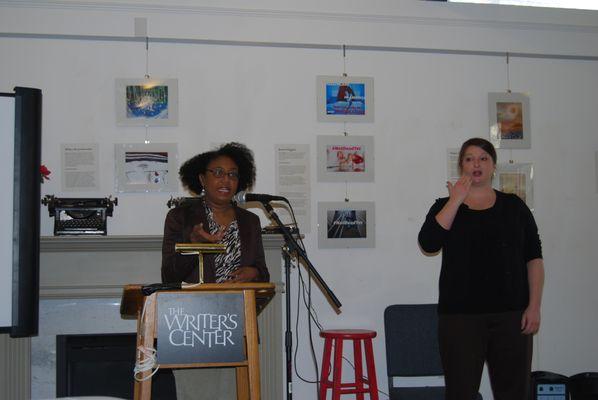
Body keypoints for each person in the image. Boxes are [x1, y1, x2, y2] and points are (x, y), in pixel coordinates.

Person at [418, 137, 544, 400]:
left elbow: (534, 258)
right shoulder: (444, 205)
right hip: (460, 318)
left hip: (511, 316)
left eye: (483, 158)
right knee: (460, 393)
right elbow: (429, 243)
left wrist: (534, 306)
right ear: (461, 166)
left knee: (514, 392)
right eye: (469, 159)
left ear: (493, 166)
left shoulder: (514, 207)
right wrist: (456, 200)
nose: (476, 164)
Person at [162, 141, 270, 284]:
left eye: (233, 174)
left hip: (240, 302)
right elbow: (169, 276)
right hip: (197, 303)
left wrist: (254, 273)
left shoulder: (250, 221)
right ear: (202, 179)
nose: (226, 180)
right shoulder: (180, 217)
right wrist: (194, 245)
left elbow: (263, 272)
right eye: (218, 172)